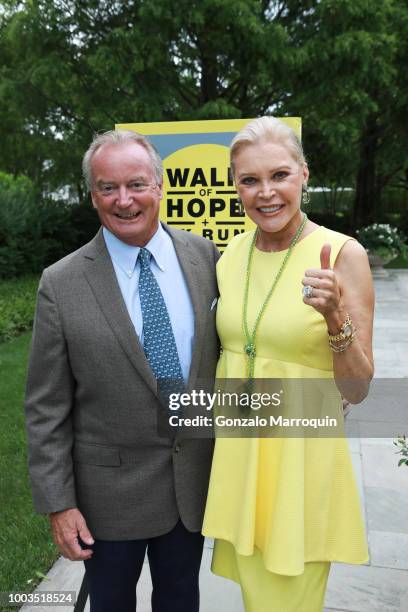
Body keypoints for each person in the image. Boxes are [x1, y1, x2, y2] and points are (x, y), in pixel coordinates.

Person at [25, 129, 220, 612]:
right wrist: (58, 503)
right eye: (108, 188)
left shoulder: (205, 257)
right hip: (106, 500)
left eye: (136, 184)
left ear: (160, 186)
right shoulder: (61, 282)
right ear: (93, 196)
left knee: (181, 601)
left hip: (190, 485)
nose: (124, 200)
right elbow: (45, 406)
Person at [202, 116, 374, 611]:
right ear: (235, 186)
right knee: (256, 598)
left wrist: (335, 318)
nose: (266, 193)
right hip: (241, 460)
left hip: (300, 462)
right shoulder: (230, 255)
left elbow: (359, 388)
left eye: (279, 175)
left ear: (304, 173)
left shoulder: (343, 254)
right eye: (249, 180)